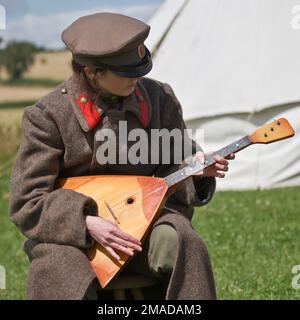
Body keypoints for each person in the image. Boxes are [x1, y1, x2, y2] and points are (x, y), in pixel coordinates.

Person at [9, 12, 235, 300]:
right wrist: (86, 222)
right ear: (92, 73)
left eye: (140, 69)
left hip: (142, 228)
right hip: (71, 239)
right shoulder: (49, 116)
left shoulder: (159, 98)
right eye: (127, 74)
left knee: (181, 238)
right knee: (58, 266)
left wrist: (194, 171)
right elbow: (27, 201)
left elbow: (174, 163)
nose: (138, 79)